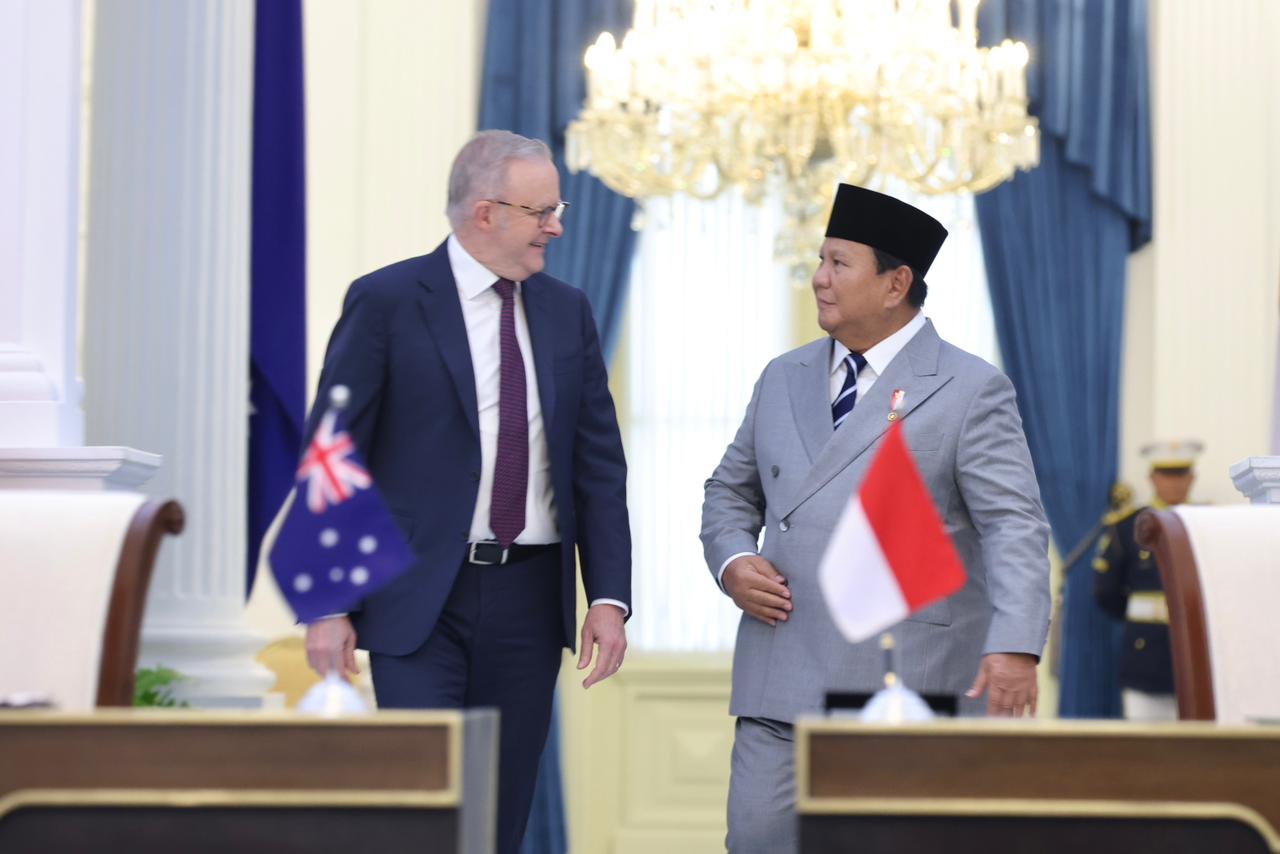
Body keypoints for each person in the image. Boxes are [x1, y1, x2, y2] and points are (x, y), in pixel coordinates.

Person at [300, 130, 631, 854]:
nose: (558, 225)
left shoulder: (566, 309)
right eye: (542, 210)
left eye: (557, 208)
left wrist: (607, 596)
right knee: (426, 811)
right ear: (487, 214)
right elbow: (333, 452)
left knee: (498, 818)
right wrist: (327, 601)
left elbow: (597, 464)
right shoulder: (387, 301)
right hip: (417, 599)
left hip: (530, 600)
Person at [700, 184, 1052, 853]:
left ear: (896, 284)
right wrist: (732, 561)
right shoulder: (782, 376)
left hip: (909, 682)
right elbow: (729, 492)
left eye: (838, 264)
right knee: (755, 841)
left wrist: (1014, 646)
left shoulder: (971, 388)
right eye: (820, 261)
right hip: (781, 674)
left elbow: (1014, 526)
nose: (819, 279)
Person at [1093, 439, 1203, 721]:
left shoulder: (1209, 523)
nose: (1174, 483)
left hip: (1198, 653)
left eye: (1181, 475)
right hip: (1145, 654)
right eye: (1167, 475)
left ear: (1192, 478)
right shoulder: (1128, 526)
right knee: (1147, 748)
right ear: (1152, 477)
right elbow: (1106, 592)